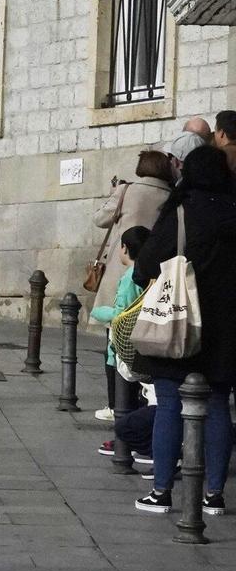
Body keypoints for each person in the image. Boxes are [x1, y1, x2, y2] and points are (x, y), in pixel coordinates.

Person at [129, 145, 236, 515]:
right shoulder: (232, 209)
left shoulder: (181, 212)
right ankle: (214, 495)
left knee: (171, 403)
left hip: (179, 322)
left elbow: (144, 265)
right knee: (219, 403)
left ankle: (161, 491)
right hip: (227, 327)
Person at [92, 225, 151, 446]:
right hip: (139, 344)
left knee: (122, 401)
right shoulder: (147, 274)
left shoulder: (129, 278)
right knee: (137, 398)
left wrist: (98, 311)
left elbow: (120, 314)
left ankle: (124, 445)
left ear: (124, 249)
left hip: (122, 346)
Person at [98, 150, 176, 280]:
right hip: (154, 270)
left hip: (122, 264)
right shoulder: (171, 196)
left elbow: (100, 219)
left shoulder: (126, 191)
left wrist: (113, 194)